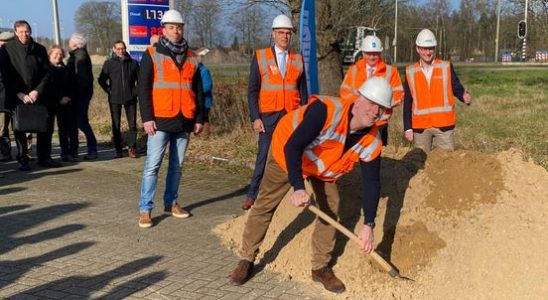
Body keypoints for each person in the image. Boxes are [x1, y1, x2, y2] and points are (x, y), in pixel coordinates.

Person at [229, 77, 394, 294]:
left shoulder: (372, 140)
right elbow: (293, 147)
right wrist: (298, 187)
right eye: (372, 103)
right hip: (286, 153)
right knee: (265, 205)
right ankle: (246, 259)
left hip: (321, 167)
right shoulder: (326, 111)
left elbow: (372, 182)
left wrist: (369, 224)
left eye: (381, 108)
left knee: (330, 208)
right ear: (359, 99)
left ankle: (319, 268)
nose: (374, 111)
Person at [137, 9, 204, 228]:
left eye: (179, 27)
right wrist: (147, 118)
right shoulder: (152, 53)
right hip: (160, 120)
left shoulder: (193, 57)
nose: (176, 31)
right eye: (172, 27)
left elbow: (199, 90)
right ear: (164, 29)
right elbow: (144, 89)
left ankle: (171, 202)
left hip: (184, 119)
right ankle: (145, 209)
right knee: (152, 166)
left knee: (177, 166)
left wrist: (200, 118)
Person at [242, 14, 308, 210]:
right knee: (263, 157)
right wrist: (255, 117)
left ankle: (292, 191)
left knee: (293, 154)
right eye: (281, 32)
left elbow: (303, 92)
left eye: (288, 33)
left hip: (291, 116)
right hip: (268, 117)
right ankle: (252, 193)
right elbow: (252, 91)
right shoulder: (261, 56)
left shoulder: (298, 60)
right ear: (273, 34)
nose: (285, 36)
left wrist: (304, 117)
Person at [339, 35, 404, 235]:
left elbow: (399, 94)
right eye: (369, 53)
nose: (372, 57)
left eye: (376, 53)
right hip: (357, 121)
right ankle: (351, 183)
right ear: (363, 53)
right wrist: (362, 102)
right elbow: (344, 92)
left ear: (380, 53)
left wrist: (381, 105)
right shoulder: (354, 70)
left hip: (380, 122)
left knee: (374, 157)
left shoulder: (390, 72)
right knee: (353, 154)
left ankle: (372, 189)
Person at [1, 20, 61, 170]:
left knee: (44, 127)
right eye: (21, 32)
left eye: (26, 31)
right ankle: (23, 159)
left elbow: (47, 73)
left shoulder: (40, 49)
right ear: (15, 32)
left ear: (30, 31)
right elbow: (6, 75)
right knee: (19, 128)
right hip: (18, 95)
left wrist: (37, 91)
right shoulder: (7, 50)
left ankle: (44, 158)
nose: (24, 34)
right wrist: (19, 93)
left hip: (39, 95)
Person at [403, 29, 472, 152]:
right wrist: (408, 127)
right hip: (420, 127)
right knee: (420, 163)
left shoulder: (446, 66)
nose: (427, 52)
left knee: (447, 162)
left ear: (434, 49)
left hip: (444, 124)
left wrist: (463, 96)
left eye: (430, 48)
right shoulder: (410, 71)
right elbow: (408, 102)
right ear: (418, 49)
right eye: (424, 48)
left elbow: (456, 87)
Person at [98, 40, 139, 158]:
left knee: (132, 125)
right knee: (116, 125)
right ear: (114, 49)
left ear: (125, 49)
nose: (121, 51)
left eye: (123, 48)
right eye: (118, 49)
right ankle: (118, 150)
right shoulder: (109, 63)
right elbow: (101, 80)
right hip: (114, 98)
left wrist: (135, 92)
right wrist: (109, 90)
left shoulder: (133, 63)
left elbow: (140, 80)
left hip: (130, 98)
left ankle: (132, 148)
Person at [67, 33, 98, 160]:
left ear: (75, 44)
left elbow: (80, 79)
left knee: (81, 122)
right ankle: (75, 150)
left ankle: (92, 149)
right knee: (77, 123)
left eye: (70, 41)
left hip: (79, 96)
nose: (68, 43)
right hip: (81, 95)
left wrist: (72, 94)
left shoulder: (79, 57)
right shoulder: (79, 55)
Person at [48, 45, 79, 162]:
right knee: (48, 131)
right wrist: (58, 99)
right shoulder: (46, 69)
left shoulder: (65, 69)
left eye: (60, 54)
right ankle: (46, 155)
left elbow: (72, 85)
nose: (58, 56)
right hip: (51, 103)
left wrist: (68, 97)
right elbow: (48, 87)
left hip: (66, 103)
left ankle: (66, 153)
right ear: (50, 55)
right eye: (55, 54)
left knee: (65, 130)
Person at [0, 31, 15, 161]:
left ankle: (24, 154)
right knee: (2, 128)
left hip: (13, 97)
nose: (4, 43)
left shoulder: (15, 55)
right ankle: (5, 153)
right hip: (2, 98)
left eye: (6, 41)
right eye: (2, 41)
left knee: (22, 127)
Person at [197, 49, 212, 138]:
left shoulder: (204, 71)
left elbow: (207, 86)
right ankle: (198, 135)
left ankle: (205, 136)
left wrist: (197, 92)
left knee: (204, 118)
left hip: (205, 101)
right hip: (198, 100)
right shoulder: (195, 70)